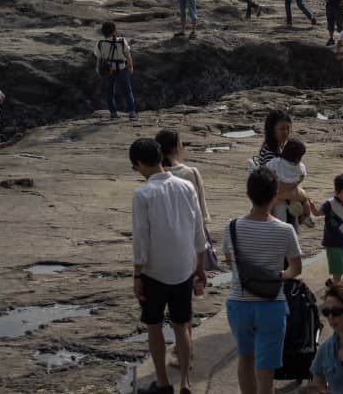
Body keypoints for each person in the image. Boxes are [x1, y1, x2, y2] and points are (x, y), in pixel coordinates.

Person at [129, 138, 207, 394]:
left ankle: (163, 383)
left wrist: (137, 274)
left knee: (154, 326)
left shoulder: (142, 194)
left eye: (135, 167)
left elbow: (141, 238)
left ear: (139, 163)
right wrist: (200, 267)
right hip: (184, 267)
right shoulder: (186, 186)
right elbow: (198, 231)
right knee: (181, 324)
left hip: (154, 271)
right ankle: (185, 382)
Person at [222, 167, 303, 394]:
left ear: (249, 194)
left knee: (245, 357)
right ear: (275, 194)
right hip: (271, 304)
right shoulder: (285, 230)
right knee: (266, 368)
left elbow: (231, 261)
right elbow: (295, 269)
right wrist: (277, 276)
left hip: (239, 301)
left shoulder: (232, 227)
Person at [155, 129, 211, 224]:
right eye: (180, 142)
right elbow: (199, 208)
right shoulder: (190, 173)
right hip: (189, 229)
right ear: (176, 147)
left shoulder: (154, 175)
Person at [268, 138, 318, 228]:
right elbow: (302, 177)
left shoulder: (276, 162)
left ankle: (267, 218)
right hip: (294, 192)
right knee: (305, 199)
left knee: (269, 205)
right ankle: (306, 216)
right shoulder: (301, 166)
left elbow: (266, 170)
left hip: (278, 192)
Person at [94, 21, 137, 120]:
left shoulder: (100, 42)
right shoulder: (121, 41)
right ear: (114, 31)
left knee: (109, 92)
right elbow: (127, 54)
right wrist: (130, 66)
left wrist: (97, 68)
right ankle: (132, 112)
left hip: (107, 70)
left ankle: (113, 113)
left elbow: (99, 58)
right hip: (121, 68)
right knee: (127, 91)